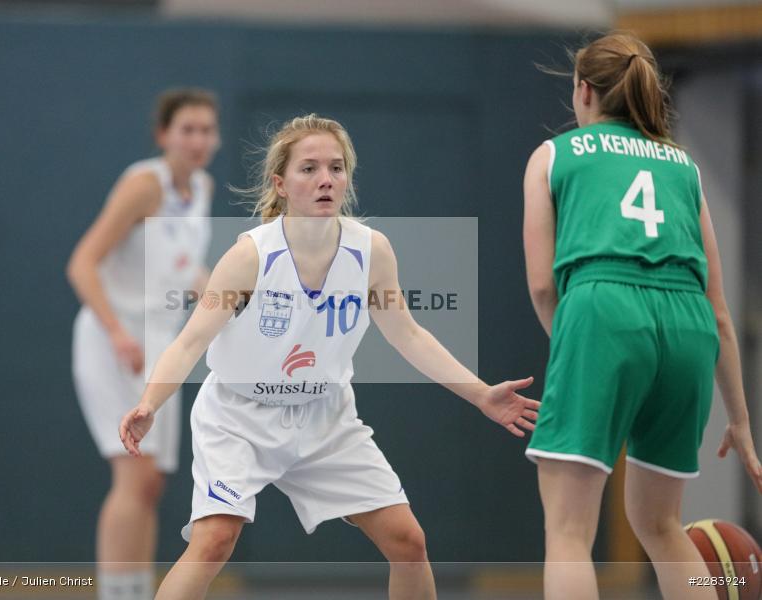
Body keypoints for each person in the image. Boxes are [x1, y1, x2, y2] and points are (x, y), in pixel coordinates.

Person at [119, 113, 540, 600]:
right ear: (281, 183)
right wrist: (151, 402)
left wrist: (481, 394)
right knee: (214, 541)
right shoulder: (251, 256)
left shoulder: (371, 251)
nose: (326, 179)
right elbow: (190, 341)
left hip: (325, 416)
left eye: (336, 168)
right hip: (238, 417)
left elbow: (409, 335)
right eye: (309, 168)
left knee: (409, 542)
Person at [522, 32, 762, 600]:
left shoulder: (554, 155)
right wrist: (742, 422)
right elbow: (720, 309)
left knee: (568, 532)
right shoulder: (684, 167)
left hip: (603, 307)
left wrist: (586, 358)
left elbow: (540, 283)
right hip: (687, 327)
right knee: (662, 527)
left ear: (583, 91)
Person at [67, 88, 220, 600]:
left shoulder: (201, 187)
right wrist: (115, 331)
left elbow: (181, 266)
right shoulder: (141, 184)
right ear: (164, 135)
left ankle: (138, 590)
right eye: (187, 130)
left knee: (152, 483)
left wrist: (231, 300)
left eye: (206, 130)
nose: (198, 140)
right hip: (116, 341)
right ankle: (117, 593)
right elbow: (82, 262)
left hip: (161, 343)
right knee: (134, 476)